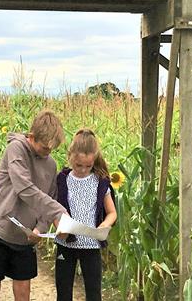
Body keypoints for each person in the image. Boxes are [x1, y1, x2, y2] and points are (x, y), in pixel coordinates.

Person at [0, 110, 68, 301]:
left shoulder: (50, 165)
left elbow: (49, 197)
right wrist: (60, 212)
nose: (48, 153)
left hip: (24, 238)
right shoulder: (15, 149)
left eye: (52, 150)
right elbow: (24, 188)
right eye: (44, 148)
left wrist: (40, 228)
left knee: (23, 291)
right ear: (31, 137)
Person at [53, 129, 117, 301]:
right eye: (78, 165)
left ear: (94, 160)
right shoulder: (62, 180)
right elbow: (53, 209)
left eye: (88, 166)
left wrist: (105, 225)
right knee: (63, 291)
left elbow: (112, 213)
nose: (82, 170)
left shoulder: (100, 181)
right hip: (65, 244)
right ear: (70, 157)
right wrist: (58, 226)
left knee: (94, 292)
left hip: (91, 245)